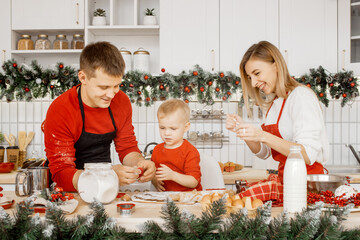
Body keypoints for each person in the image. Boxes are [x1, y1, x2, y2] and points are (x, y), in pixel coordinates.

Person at [44, 41, 156, 192]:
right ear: (83, 78)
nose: (111, 95)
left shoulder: (121, 102)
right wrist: (106, 175)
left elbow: (127, 147)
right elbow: (61, 173)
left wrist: (140, 162)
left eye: (116, 85)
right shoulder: (61, 110)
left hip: (105, 189)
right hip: (69, 192)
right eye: (104, 87)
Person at [226, 40, 329, 202]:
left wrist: (261, 135)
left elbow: (307, 154)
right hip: (286, 180)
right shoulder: (274, 104)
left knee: (242, 201)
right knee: (241, 200)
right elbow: (264, 152)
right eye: (249, 77)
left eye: (257, 73)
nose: (253, 83)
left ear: (276, 65)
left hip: (307, 186)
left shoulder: (301, 97)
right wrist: (245, 132)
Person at [151, 99, 202, 192]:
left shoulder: (190, 151)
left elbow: (194, 181)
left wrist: (173, 175)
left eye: (173, 129)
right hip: (166, 199)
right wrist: (154, 180)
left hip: (189, 198)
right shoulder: (157, 150)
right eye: (162, 128)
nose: (166, 133)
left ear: (186, 127)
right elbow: (152, 172)